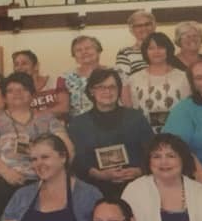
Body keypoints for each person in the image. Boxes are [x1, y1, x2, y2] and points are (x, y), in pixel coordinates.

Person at [0, 73, 73, 221]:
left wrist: (50, 176)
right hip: (2, 179)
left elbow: (67, 148)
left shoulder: (48, 120)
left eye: (23, 89)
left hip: (41, 179)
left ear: (32, 94)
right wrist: (6, 172)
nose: (17, 93)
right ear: (4, 96)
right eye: (11, 90)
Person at [70, 68, 154, 198]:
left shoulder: (135, 117)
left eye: (112, 87)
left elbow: (152, 150)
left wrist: (139, 171)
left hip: (136, 187)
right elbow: (76, 161)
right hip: (95, 190)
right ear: (92, 91)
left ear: (119, 90)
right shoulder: (79, 124)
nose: (107, 92)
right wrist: (99, 174)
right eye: (101, 87)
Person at [122, 32, 190, 132]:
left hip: (177, 131)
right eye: (151, 48)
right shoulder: (133, 79)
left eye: (161, 47)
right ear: (145, 51)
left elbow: (188, 109)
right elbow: (130, 111)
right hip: (144, 132)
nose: (156, 52)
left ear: (168, 49)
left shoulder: (183, 77)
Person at [12, 49, 67, 118]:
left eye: (24, 63)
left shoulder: (56, 81)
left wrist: (38, 114)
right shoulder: (15, 91)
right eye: (16, 64)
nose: (19, 68)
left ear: (36, 66)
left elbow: (64, 108)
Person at [60, 35, 104, 119]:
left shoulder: (116, 72)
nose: (84, 52)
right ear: (74, 56)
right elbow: (63, 109)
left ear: (98, 51)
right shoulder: (65, 77)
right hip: (79, 123)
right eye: (78, 50)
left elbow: (126, 104)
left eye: (88, 48)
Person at [114, 10, 156, 84]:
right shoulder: (125, 53)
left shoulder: (164, 49)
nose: (144, 28)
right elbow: (122, 82)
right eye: (139, 26)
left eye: (147, 24)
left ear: (154, 26)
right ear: (131, 30)